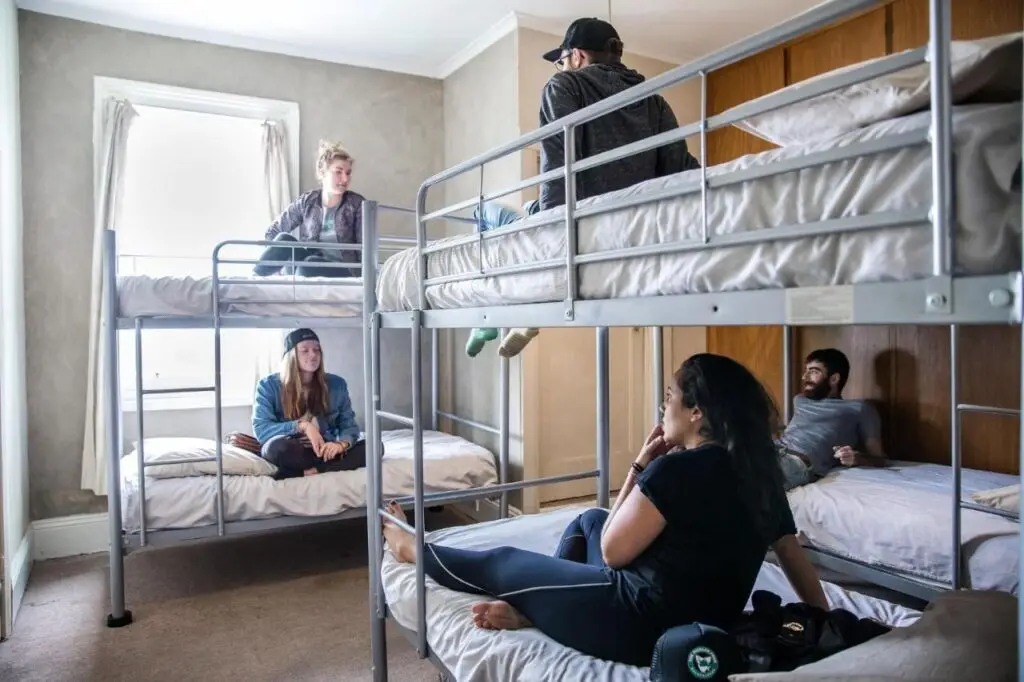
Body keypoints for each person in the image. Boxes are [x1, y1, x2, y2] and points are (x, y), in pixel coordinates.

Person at [382, 353, 828, 666]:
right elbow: (795, 561)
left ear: (696, 412)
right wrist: (827, 625)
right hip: (706, 624)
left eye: (670, 395)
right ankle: (535, 609)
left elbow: (614, 553)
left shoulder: (676, 471)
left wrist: (641, 465)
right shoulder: (760, 475)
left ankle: (413, 551)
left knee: (506, 562)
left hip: (640, 625)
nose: (662, 404)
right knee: (587, 521)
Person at [467, 17, 702, 359]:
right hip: (636, 225)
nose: (561, 68)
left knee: (485, 212)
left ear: (576, 56)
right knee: (527, 210)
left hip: (580, 219)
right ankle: (513, 310)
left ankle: (493, 312)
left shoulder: (565, 86)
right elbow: (681, 168)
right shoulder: (654, 101)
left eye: (562, 61)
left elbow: (557, 161)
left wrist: (551, 230)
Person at [252, 328, 368, 480]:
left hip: (325, 451)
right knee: (275, 449)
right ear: (291, 356)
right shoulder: (268, 386)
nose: (313, 355)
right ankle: (323, 468)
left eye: (317, 350)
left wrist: (341, 444)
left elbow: (349, 426)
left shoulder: (337, 384)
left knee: (374, 447)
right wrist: (303, 426)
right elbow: (262, 430)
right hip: (294, 450)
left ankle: (310, 471)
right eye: (305, 351)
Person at [776, 348, 888, 491]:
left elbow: (880, 459)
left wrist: (856, 459)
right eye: (806, 371)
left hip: (796, 461)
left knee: (748, 486)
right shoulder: (800, 400)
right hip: (769, 450)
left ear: (834, 378)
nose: (805, 377)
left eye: (814, 372)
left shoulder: (859, 408)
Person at [253, 140, 365, 278]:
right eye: (338, 172)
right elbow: (273, 231)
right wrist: (279, 266)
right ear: (322, 173)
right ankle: (255, 278)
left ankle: (300, 273)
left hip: (344, 270)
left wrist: (364, 278)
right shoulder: (308, 201)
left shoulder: (357, 204)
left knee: (309, 265)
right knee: (284, 239)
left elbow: (365, 246)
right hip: (309, 263)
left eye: (348, 173)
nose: (345, 178)